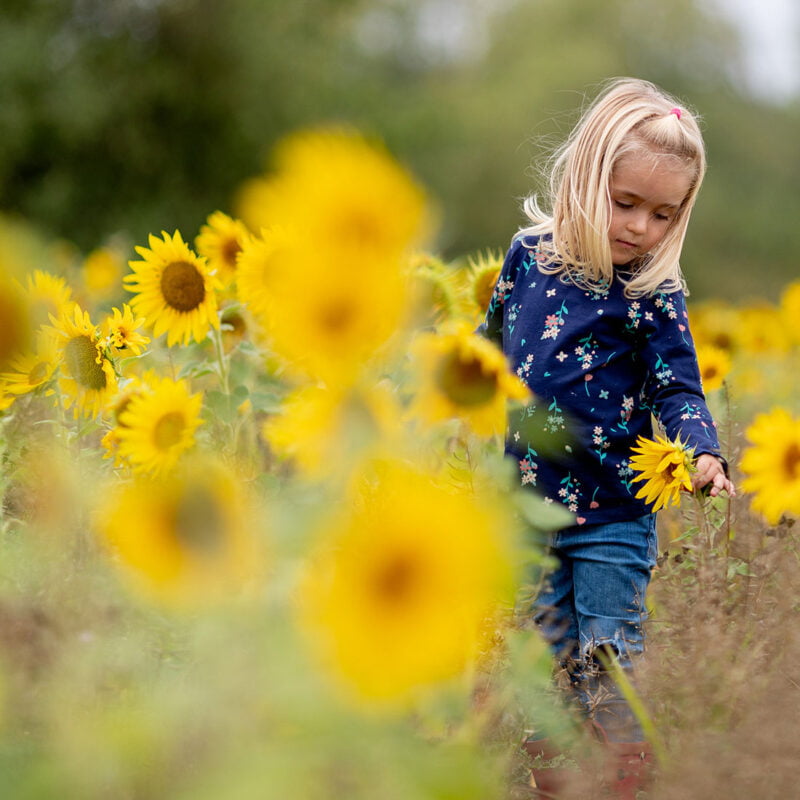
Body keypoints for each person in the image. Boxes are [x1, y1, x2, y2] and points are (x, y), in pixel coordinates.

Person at [479, 78, 735, 797]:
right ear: (587, 176)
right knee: (541, 663)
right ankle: (556, 786)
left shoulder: (653, 292)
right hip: (526, 510)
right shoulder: (527, 257)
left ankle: (625, 781)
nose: (640, 228)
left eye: (663, 213)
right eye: (625, 203)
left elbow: (677, 386)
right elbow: (487, 357)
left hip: (614, 515)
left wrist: (703, 451)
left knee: (607, 657)